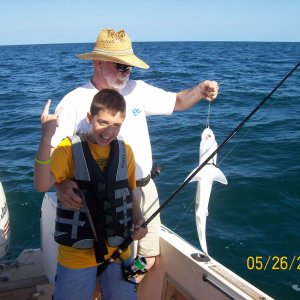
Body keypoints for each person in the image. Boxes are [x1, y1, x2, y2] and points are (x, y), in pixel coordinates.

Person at [51, 28, 219, 283]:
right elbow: (54, 153)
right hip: (101, 196)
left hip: (145, 188)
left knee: (148, 258)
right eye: (120, 66)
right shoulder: (75, 101)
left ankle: (128, 285)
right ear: (97, 63)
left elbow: (177, 101)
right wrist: (60, 185)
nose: (126, 72)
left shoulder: (137, 90)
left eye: (129, 67)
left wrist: (200, 90)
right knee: (105, 258)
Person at [34, 89, 148, 300]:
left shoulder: (126, 151)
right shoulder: (67, 148)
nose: (109, 131)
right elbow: (41, 185)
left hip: (118, 250)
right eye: (102, 122)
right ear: (89, 118)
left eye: (116, 125)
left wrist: (139, 219)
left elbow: (128, 192)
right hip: (77, 255)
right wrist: (46, 135)